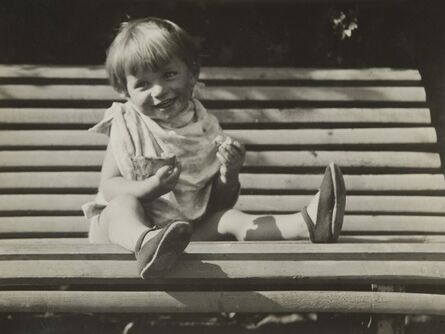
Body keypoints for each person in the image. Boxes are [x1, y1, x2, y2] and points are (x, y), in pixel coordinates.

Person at [82, 17, 346, 279]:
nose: (159, 90)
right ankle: (146, 242)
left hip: (177, 239)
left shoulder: (206, 128)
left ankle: (308, 224)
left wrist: (228, 174)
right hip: (119, 239)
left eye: (169, 75)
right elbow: (110, 185)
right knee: (123, 204)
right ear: (124, 90)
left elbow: (214, 205)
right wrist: (150, 188)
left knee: (228, 217)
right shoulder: (127, 123)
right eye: (143, 84)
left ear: (192, 74)